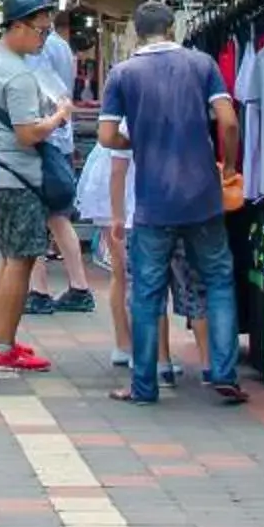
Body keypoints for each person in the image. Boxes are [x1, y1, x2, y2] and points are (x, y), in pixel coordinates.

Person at [96, 0, 242, 405]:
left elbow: (107, 138)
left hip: (154, 200)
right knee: (218, 281)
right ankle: (224, 371)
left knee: (147, 291)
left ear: (136, 32)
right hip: (203, 196)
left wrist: (137, 142)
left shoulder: (122, 75)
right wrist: (227, 164)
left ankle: (144, 386)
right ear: (172, 29)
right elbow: (228, 121)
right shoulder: (202, 65)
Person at [0, 0, 73, 374]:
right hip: (20, 176)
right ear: (15, 27)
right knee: (22, 260)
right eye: (40, 31)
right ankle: (2, 347)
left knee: (11, 258)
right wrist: (60, 115)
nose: (43, 39)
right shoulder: (17, 73)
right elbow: (28, 134)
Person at [78, 135, 204, 383]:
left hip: (118, 174)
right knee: (137, 275)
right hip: (126, 178)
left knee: (126, 272)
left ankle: (131, 347)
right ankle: (143, 351)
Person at [26, 0, 99, 315]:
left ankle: (38, 290)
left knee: (35, 215)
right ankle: (79, 286)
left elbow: (35, 91)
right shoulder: (62, 48)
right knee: (58, 216)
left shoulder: (39, 48)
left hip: (44, 139)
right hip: (61, 140)